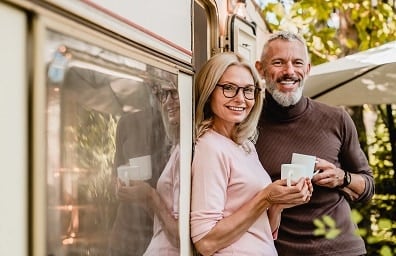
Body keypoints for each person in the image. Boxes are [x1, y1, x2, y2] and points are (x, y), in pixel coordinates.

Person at [254, 31, 375, 255]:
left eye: (297, 63)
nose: (289, 71)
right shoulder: (246, 125)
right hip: (278, 250)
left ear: (307, 69)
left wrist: (342, 178)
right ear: (260, 69)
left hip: (342, 249)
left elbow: (367, 187)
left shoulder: (337, 118)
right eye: (278, 62)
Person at [190, 52, 313, 256]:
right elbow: (206, 242)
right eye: (229, 88)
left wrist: (278, 204)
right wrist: (265, 198)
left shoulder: (245, 146)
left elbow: (263, 229)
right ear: (209, 90)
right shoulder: (210, 147)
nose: (241, 99)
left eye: (248, 90)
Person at [116, 80, 181, 256]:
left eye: (172, 92)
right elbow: (116, 173)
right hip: (127, 232)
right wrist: (122, 188)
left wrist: (148, 197)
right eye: (160, 92)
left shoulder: (182, 132)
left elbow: (183, 234)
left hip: (159, 234)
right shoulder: (127, 124)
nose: (166, 99)